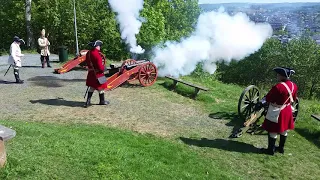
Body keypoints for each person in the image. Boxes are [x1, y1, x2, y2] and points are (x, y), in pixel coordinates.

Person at [260, 67, 298, 155]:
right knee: (283, 130)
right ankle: (281, 148)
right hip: (287, 109)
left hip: (277, 110)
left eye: (278, 75)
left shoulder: (278, 86)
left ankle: (270, 150)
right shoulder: (294, 85)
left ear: (282, 76)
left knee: (273, 130)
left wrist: (261, 103)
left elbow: (269, 98)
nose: (277, 76)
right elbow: (294, 98)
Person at [83, 40, 109, 108]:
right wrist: (105, 69)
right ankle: (102, 101)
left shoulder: (88, 53)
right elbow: (100, 67)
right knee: (101, 87)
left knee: (92, 87)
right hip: (98, 74)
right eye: (99, 46)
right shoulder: (97, 54)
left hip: (91, 73)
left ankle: (88, 101)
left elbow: (87, 63)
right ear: (96, 46)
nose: (100, 47)